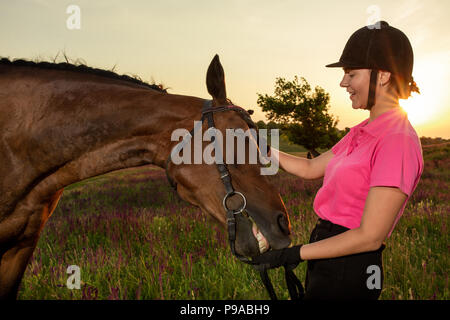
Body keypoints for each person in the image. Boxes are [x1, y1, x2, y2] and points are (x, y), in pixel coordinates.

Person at [254, 21, 424, 300]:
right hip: (326, 251)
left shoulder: (397, 139)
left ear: (382, 75)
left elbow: (370, 236)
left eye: (351, 74)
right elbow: (310, 168)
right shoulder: (361, 131)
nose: (343, 82)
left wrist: (293, 254)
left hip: (351, 265)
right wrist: (257, 148)